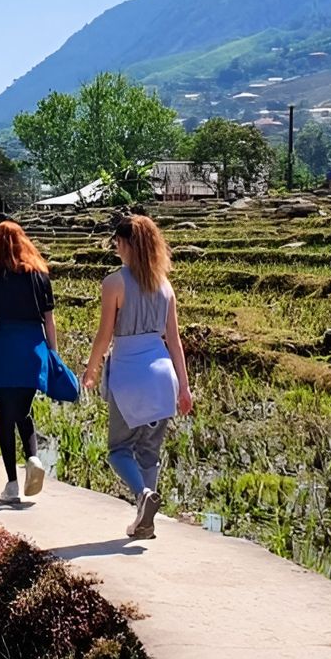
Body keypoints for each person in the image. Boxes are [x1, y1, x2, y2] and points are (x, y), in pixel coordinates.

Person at [83, 213, 192, 539]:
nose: (116, 248)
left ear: (127, 244)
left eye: (118, 242)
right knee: (149, 453)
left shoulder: (114, 283)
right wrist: (184, 388)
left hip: (129, 374)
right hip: (163, 376)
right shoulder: (165, 286)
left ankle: (143, 496)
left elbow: (104, 336)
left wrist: (91, 369)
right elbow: (174, 340)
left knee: (119, 450)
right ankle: (147, 522)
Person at [0, 220, 59, 505]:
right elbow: (49, 320)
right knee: (23, 409)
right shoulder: (39, 276)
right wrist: (52, 355)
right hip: (33, 349)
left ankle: (11, 485)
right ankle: (32, 458)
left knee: (5, 415)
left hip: (5, 346)